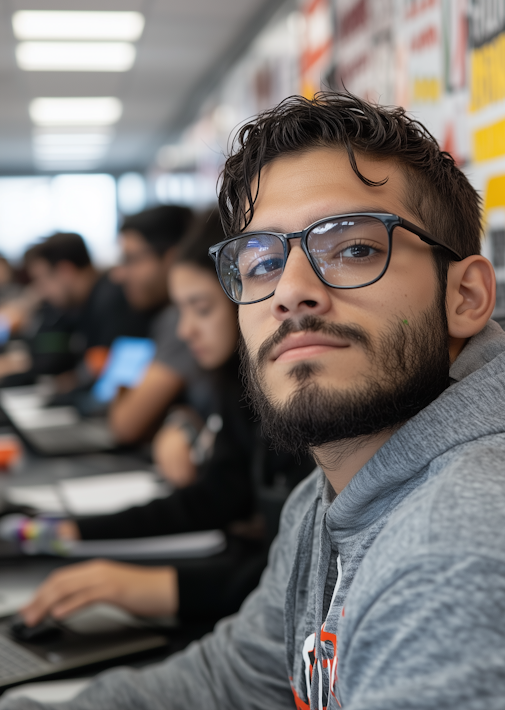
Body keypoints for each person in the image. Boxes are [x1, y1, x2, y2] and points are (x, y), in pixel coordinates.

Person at [3, 92, 505, 710]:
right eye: (260, 261)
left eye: (355, 249)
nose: (291, 291)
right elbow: (227, 682)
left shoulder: (477, 547)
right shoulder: (326, 496)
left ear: (466, 297)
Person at [14, 213, 311, 625]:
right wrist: (76, 531)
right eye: (181, 311)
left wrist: (142, 586)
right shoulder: (234, 389)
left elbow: (298, 580)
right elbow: (215, 496)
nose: (186, 332)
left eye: (201, 309)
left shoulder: (302, 407)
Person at [109, 205, 199, 443]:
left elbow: (125, 424)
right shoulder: (157, 315)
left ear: (172, 257)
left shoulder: (180, 320)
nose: (120, 274)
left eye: (132, 259)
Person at [22, 233, 148, 386]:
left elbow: (103, 365)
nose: (42, 292)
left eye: (43, 280)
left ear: (65, 271)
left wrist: (69, 383)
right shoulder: (86, 302)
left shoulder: (110, 300)